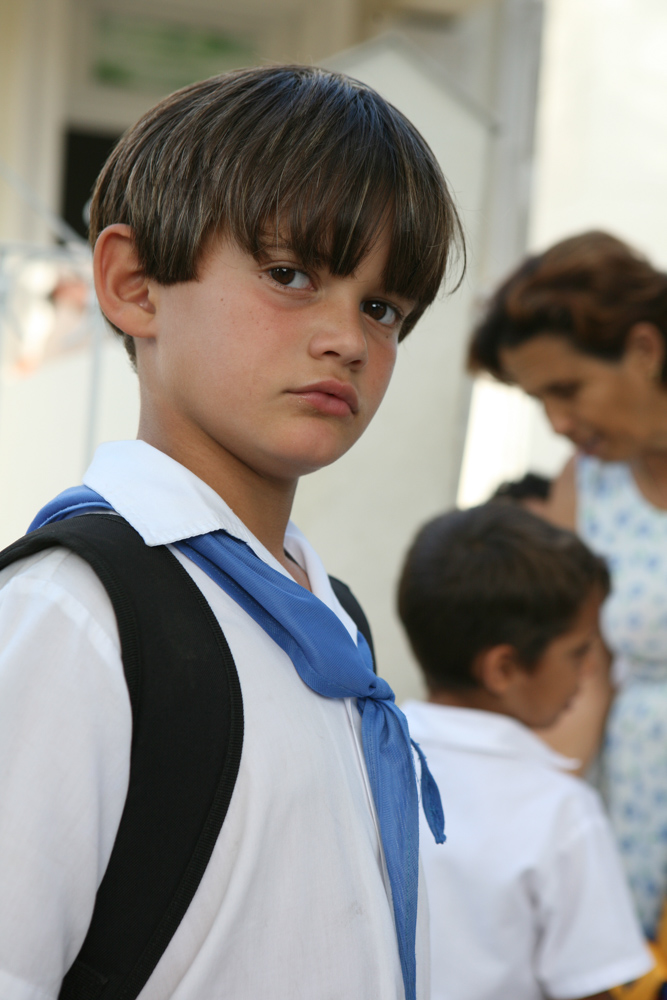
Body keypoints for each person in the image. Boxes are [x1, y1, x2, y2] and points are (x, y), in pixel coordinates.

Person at [0, 66, 462, 1000]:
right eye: (291, 276)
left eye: (383, 309)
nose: (346, 339)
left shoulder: (325, 620)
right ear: (134, 284)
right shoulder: (80, 614)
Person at [468, 231, 667, 938]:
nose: (556, 423)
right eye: (537, 401)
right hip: (633, 817)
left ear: (643, 350)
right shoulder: (586, 487)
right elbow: (580, 668)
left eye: (568, 389)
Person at [399, 503, 653, 1000]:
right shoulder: (561, 810)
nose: (588, 673)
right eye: (579, 652)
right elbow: (592, 987)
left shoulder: (359, 757)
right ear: (503, 669)